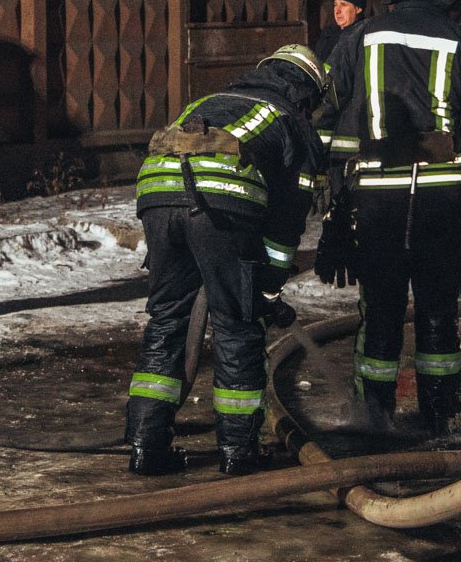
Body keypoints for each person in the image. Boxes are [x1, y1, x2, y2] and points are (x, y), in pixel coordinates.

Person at [314, 0, 461, 436]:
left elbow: (326, 107)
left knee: (380, 308)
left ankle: (373, 417)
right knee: (438, 308)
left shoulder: (362, 35)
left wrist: (333, 193)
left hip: (375, 199)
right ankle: (440, 413)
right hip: (443, 199)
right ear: (458, 2)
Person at [126, 44, 328, 476]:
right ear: (306, 92)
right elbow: (288, 221)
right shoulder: (292, 121)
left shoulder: (211, 101)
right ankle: (238, 453)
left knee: (166, 320)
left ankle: (146, 445)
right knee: (236, 324)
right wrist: (268, 290)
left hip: (156, 192)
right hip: (220, 200)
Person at [315, 0, 367, 65]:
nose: (337, 11)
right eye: (335, 5)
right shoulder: (328, 34)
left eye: (343, 4)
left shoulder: (364, 35)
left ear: (358, 9)